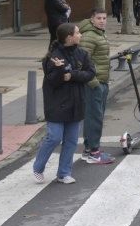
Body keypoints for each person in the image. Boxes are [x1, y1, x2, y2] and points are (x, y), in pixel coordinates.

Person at [33, 23, 95, 184]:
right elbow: (52, 81)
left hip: (76, 103)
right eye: (78, 33)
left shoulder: (82, 54)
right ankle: (38, 167)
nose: (80, 35)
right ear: (69, 37)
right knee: (54, 137)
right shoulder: (53, 56)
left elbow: (90, 73)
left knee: (71, 140)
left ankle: (64, 173)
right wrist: (60, 72)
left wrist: (72, 75)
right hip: (57, 104)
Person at [78, 9, 114, 165]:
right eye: (98, 18)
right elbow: (81, 62)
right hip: (94, 83)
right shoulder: (90, 36)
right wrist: (94, 83)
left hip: (101, 81)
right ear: (91, 19)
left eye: (104, 18)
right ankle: (94, 152)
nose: (102, 20)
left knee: (93, 117)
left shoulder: (99, 33)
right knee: (95, 118)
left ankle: (89, 150)